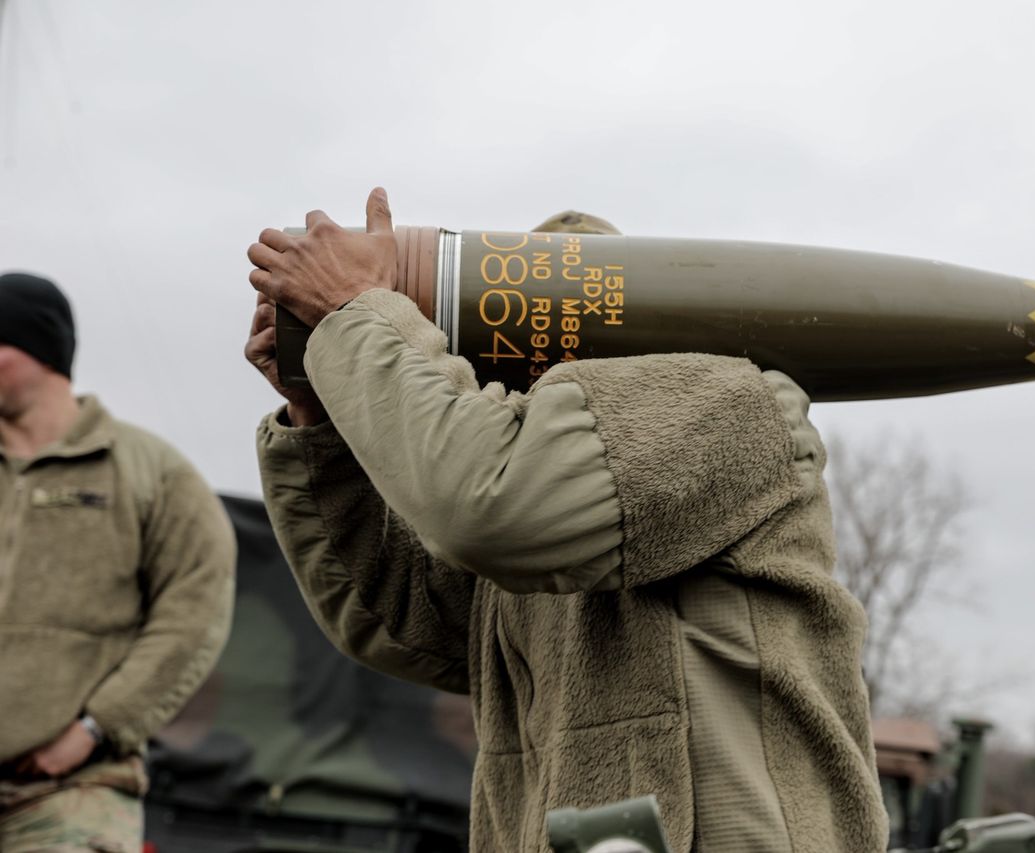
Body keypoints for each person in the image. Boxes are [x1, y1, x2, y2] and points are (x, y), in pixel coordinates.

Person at [246, 189, 889, 852]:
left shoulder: (729, 400)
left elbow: (486, 503)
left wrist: (355, 310)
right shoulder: (543, 489)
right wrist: (317, 411)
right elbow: (399, 618)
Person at [0, 272, 236, 852]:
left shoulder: (149, 471)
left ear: (35, 348)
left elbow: (194, 611)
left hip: (72, 793)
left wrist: (95, 728)